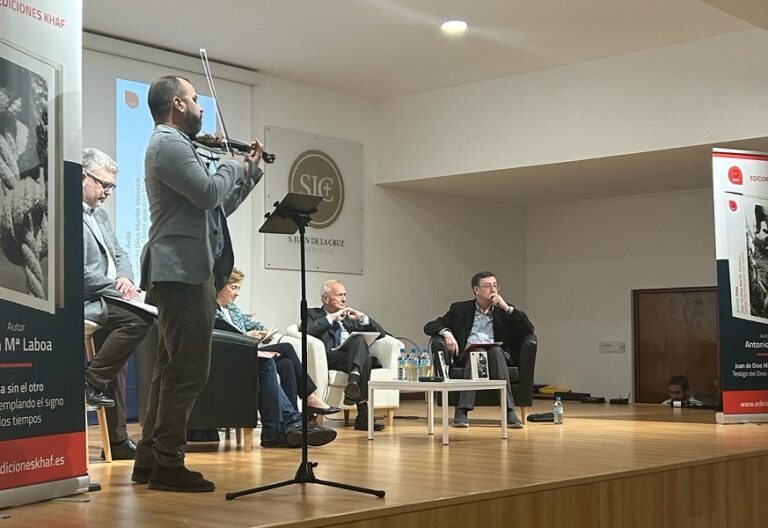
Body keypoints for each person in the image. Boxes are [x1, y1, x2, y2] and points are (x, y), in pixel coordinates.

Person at [133, 75, 263, 493]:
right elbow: (209, 192)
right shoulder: (169, 143)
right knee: (188, 371)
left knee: (171, 370)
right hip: (182, 271)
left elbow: (216, 207)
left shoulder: (176, 145)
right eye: (194, 99)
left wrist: (249, 173)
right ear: (177, 104)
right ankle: (168, 463)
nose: (201, 107)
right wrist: (230, 164)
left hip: (184, 271)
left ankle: (150, 459)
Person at [82, 147, 153, 460]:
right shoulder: (66, 214)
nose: (108, 192)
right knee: (140, 320)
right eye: (103, 184)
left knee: (117, 360)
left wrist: (125, 278)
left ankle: (118, 440)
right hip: (89, 298)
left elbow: (120, 252)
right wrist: (116, 288)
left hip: (109, 295)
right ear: (82, 177)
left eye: (112, 187)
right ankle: (90, 381)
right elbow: (79, 273)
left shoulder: (100, 214)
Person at [215, 268, 340, 415]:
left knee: (286, 364)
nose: (237, 293)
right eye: (234, 288)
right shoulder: (213, 310)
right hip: (234, 357)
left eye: (238, 288)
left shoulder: (232, 309)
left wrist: (263, 333)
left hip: (250, 353)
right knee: (286, 347)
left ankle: (292, 418)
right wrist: (246, 335)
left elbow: (254, 324)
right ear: (221, 286)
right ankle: (310, 397)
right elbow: (223, 337)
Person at [423, 271, 534, 429]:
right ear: (476, 290)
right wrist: (446, 333)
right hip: (468, 354)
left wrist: (506, 307)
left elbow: (528, 329)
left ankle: (509, 411)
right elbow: (430, 326)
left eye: (495, 286)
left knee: (495, 351)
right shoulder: (460, 309)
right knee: (478, 351)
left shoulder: (504, 310)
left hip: (498, 355)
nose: (493, 290)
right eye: (488, 286)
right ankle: (462, 411)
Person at [306, 280, 387, 431]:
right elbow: (307, 331)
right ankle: (363, 413)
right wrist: (332, 318)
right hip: (329, 357)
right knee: (363, 356)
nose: (344, 299)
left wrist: (363, 317)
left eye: (345, 295)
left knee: (360, 345)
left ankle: (354, 381)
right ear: (325, 298)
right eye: (339, 295)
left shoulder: (350, 317)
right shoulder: (312, 314)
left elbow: (381, 334)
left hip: (350, 359)